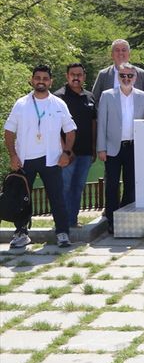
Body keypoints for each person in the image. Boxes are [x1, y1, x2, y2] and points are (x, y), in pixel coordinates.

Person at [4, 65, 76, 248]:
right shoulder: (21, 104)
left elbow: (70, 131)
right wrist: (13, 156)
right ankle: (21, 233)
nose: (41, 81)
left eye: (45, 78)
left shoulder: (58, 104)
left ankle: (62, 233)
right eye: (38, 78)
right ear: (32, 80)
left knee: (57, 197)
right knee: (21, 198)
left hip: (51, 158)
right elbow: (9, 132)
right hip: (24, 159)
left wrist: (66, 152)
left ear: (51, 81)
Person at [97, 63, 144, 232]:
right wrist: (101, 148)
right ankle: (112, 220)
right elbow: (101, 123)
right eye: (123, 75)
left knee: (131, 184)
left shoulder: (143, 96)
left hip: (133, 147)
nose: (126, 79)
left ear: (135, 78)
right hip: (112, 147)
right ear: (118, 77)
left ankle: (127, 218)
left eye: (130, 76)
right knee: (112, 185)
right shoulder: (107, 95)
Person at [55, 63, 96, 228]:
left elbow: (93, 123)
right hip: (66, 153)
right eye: (73, 74)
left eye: (79, 74)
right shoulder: (59, 97)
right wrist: (65, 150)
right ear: (67, 76)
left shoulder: (90, 96)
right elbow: (54, 127)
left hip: (86, 152)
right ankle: (62, 223)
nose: (76, 77)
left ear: (84, 77)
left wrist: (94, 147)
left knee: (78, 187)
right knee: (64, 188)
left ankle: (72, 220)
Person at [92, 39, 144, 108]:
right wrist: (104, 110)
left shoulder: (140, 73)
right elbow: (94, 98)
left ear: (129, 54)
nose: (120, 53)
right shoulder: (103, 74)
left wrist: (140, 110)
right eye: (117, 50)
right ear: (112, 54)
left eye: (124, 50)